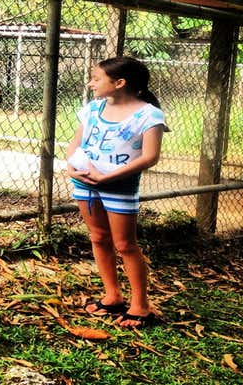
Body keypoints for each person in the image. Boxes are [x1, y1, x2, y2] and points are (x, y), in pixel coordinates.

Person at [65, 56, 167, 329]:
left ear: (120, 83)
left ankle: (140, 307)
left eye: (97, 79)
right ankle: (112, 296)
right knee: (98, 237)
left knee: (125, 245)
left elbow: (150, 157)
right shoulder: (92, 109)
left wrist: (108, 176)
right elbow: (75, 145)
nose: (91, 84)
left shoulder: (148, 115)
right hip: (84, 184)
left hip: (119, 188)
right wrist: (72, 168)